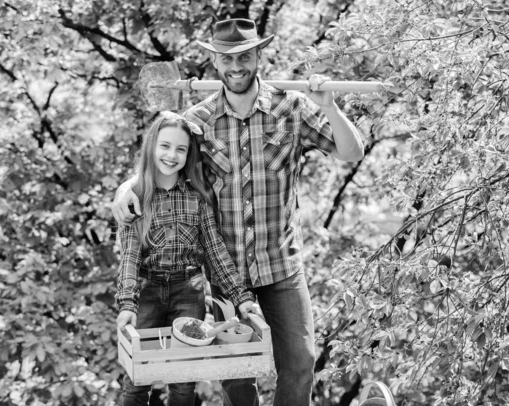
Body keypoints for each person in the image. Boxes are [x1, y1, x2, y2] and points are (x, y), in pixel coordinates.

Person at [112, 19, 364, 406]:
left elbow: (352, 152)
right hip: (227, 270)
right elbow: (159, 161)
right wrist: (124, 189)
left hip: (280, 264)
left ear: (258, 55)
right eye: (226, 59)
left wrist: (328, 107)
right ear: (214, 62)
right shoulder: (199, 121)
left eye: (244, 56)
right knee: (237, 377)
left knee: (300, 363)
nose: (236, 67)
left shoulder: (291, 108)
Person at [115, 111, 260, 406]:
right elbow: (129, 255)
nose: (172, 155)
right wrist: (128, 304)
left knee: (183, 383)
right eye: (165, 146)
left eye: (180, 149)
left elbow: (216, 251)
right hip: (147, 292)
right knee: (136, 381)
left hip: (188, 291)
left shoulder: (197, 195)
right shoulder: (136, 196)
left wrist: (241, 297)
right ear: (151, 147)